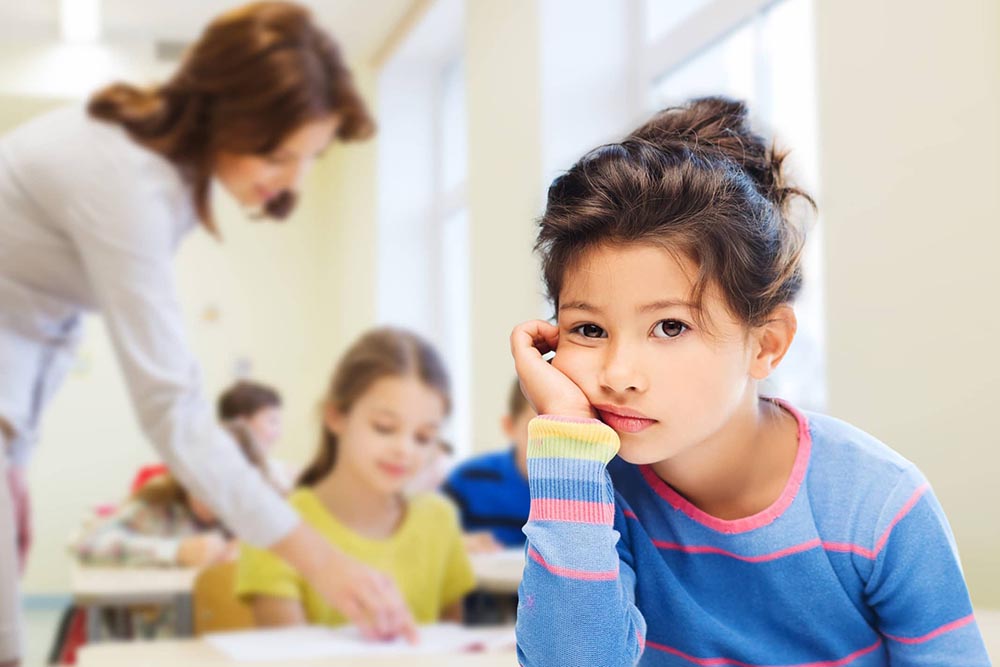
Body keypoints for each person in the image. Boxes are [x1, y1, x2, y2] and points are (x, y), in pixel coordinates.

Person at [510, 97, 990, 666]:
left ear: (765, 344)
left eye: (670, 326)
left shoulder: (879, 504)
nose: (618, 375)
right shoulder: (592, 493)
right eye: (588, 328)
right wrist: (565, 437)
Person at [0, 4, 413, 664]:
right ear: (225, 114)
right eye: (279, 154)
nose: (293, 180)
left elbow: (35, 312)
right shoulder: (126, 179)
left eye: (308, 158)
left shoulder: (158, 175)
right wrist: (322, 561)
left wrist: (15, 455)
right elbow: (173, 407)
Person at [236, 327, 476, 627]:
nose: (404, 449)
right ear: (336, 416)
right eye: (384, 427)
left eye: (424, 437)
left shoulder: (439, 520)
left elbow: (452, 648)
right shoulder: (276, 526)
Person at [70, 423, 277, 568]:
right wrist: (175, 551)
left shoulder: (259, 514)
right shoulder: (158, 507)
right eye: (201, 481)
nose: (210, 496)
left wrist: (253, 554)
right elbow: (85, 544)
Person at [443, 379, 534, 553]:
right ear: (510, 427)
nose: (552, 445)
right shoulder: (468, 479)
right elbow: (429, 539)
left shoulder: (589, 490)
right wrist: (457, 543)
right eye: (536, 430)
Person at [218, 380, 292, 491]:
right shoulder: (223, 473)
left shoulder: (279, 471)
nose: (278, 433)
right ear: (242, 424)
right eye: (272, 421)